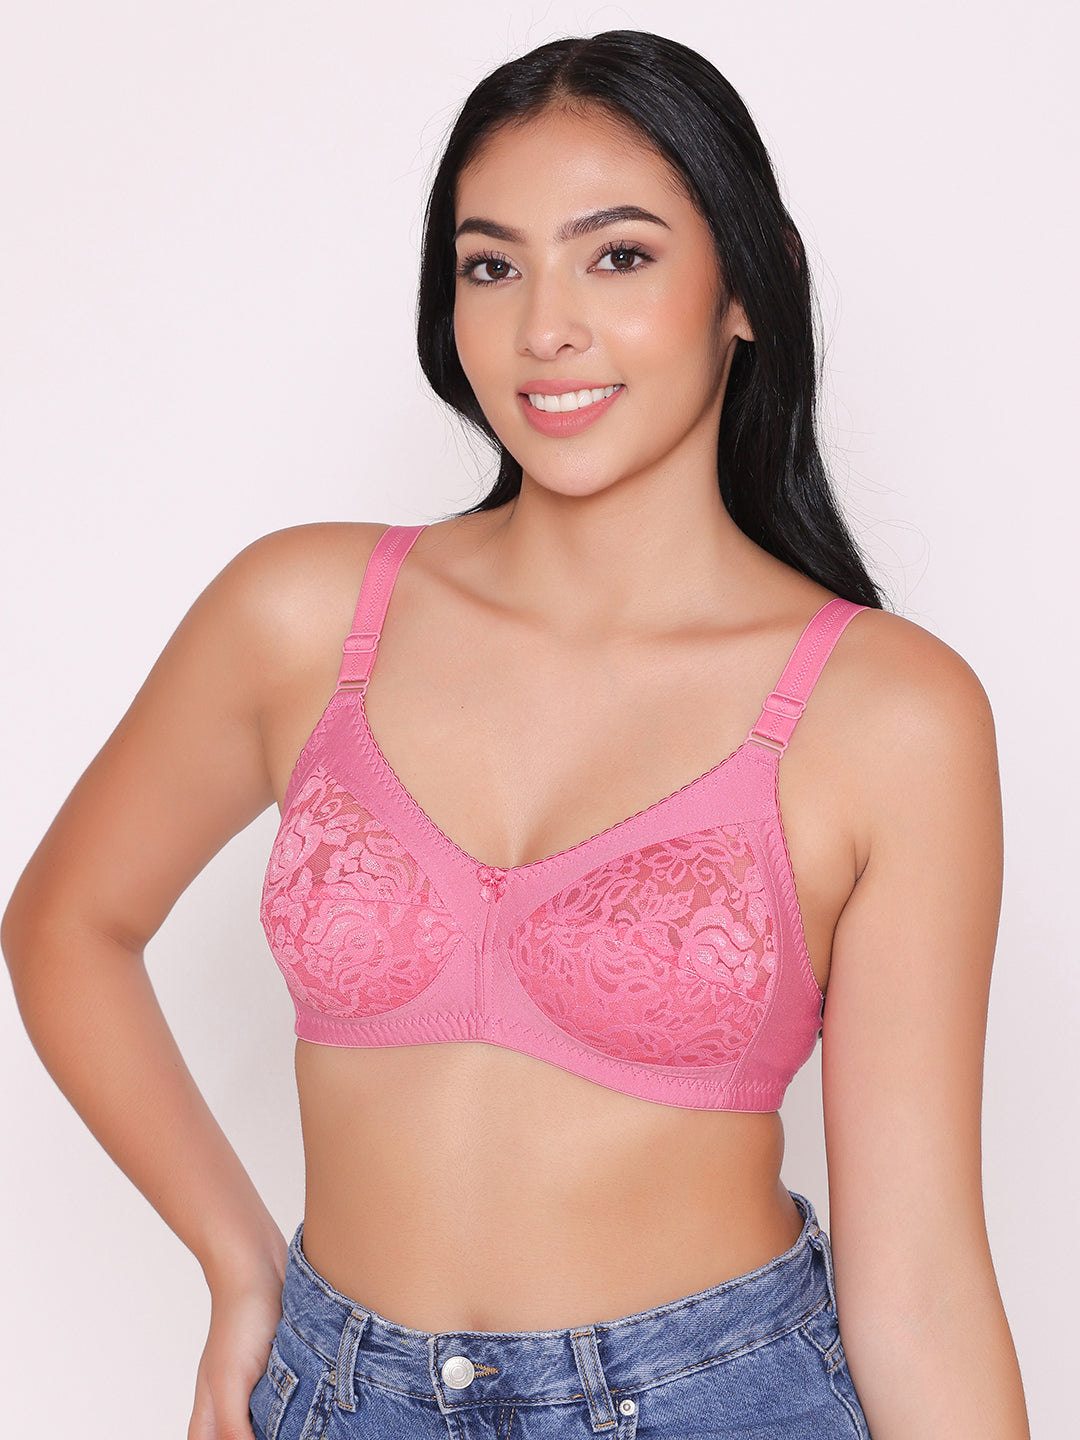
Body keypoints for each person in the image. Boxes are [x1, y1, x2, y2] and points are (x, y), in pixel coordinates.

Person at [1, 27, 1029, 1440]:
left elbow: (918, 1285)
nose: (546, 325)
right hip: (337, 1398)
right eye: (493, 266)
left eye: (619, 257)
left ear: (749, 285)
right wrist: (242, 1267)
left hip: (722, 1404)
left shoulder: (890, 715)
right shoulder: (301, 616)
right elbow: (65, 925)